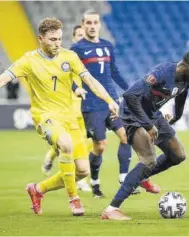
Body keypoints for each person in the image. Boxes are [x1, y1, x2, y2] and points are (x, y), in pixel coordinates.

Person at [0, 17, 118, 216]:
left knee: (82, 171)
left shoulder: (69, 57)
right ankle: (74, 199)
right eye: (53, 39)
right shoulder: (28, 61)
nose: (57, 44)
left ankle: (38, 189)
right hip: (45, 116)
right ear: (40, 38)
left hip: (71, 118)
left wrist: (109, 101)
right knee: (66, 145)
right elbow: (4, 77)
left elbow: (90, 81)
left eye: (59, 39)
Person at [101, 50, 189, 220]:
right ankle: (111, 209)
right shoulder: (162, 73)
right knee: (148, 160)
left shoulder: (188, 78)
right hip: (132, 114)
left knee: (178, 155)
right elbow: (130, 96)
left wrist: (177, 116)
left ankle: (142, 176)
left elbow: (182, 93)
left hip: (152, 114)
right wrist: (148, 125)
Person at [70, 11, 144, 197]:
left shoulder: (107, 46)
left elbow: (114, 72)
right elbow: (67, 74)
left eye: (95, 22)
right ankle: (94, 181)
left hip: (111, 101)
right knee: (100, 146)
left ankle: (123, 177)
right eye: (89, 22)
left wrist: (130, 90)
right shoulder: (76, 49)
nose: (92, 26)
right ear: (83, 24)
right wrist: (75, 88)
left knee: (126, 136)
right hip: (92, 103)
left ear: (99, 25)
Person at [41, 25, 91, 192]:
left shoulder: (87, 57)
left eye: (84, 35)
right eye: (79, 35)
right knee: (66, 144)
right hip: (65, 109)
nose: (82, 38)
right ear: (74, 38)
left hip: (82, 107)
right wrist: (75, 88)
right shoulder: (65, 57)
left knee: (84, 144)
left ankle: (79, 177)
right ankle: (53, 160)